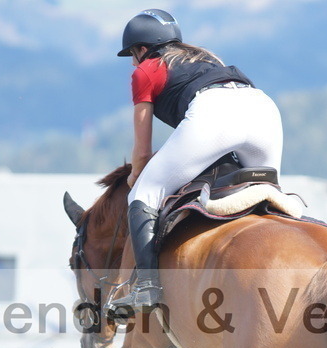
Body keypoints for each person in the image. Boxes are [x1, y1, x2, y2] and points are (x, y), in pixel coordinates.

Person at [108, 8, 284, 316]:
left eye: (133, 55)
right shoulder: (205, 56)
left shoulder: (146, 69)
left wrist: (137, 174)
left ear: (142, 48)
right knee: (269, 192)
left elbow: (143, 150)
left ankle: (147, 288)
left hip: (214, 115)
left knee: (143, 194)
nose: (134, 62)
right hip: (263, 110)